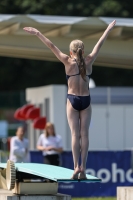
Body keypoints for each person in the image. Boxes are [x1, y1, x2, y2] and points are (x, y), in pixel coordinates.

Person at [23, 20, 116, 179]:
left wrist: (37, 33)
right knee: (84, 135)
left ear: (71, 51)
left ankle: (75, 168)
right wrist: (108, 28)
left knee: (75, 135)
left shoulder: (67, 60)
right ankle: (84, 169)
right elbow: (99, 44)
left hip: (72, 100)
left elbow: (51, 46)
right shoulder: (89, 60)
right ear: (82, 50)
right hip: (85, 100)